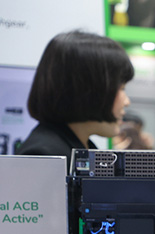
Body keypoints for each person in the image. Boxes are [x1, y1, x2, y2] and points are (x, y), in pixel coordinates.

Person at [18, 30, 134, 158]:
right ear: (89, 89)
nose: (127, 102)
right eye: (121, 88)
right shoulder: (45, 156)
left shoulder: (79, 147)